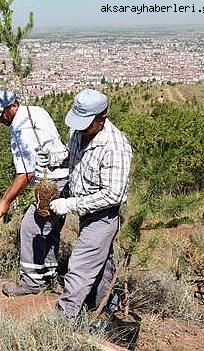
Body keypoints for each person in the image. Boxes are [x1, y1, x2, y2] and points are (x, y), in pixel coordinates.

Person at [50, 89, 132, 317]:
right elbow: (73, 156)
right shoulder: (79, 131)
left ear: (103, 117)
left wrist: (70, 204)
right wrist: (57, 158)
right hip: (85, 209)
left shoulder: (115, 147)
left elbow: (113, 195)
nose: (80, 128)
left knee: (80, 266)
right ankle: (107, 309)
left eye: (86, 123)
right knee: (102, 262)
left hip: (103, 215)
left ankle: (63, 319)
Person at [0, 90, 70, 297]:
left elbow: (25, 174)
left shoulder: (20, 129)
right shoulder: (37, 111)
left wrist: (5, 201)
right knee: (49, 228)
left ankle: (31, 282)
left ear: (12, 106)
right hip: (66, 178)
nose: (0, 121)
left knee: (30, 228)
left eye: (1, 115)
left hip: (50, 183)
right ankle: (49, 275)